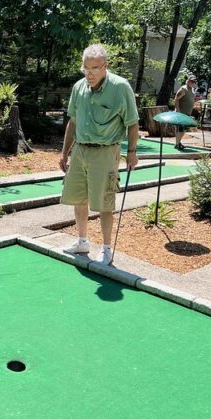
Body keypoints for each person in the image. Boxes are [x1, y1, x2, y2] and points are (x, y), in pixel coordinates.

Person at [59, 44, 139, 265]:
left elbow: (133, 123)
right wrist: (64, 153)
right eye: (86, 68)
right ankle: (82, 241)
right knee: (78, 199)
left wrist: (132, 153)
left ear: (105, 66)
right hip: (80, 150)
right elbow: (73, 122)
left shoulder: (120, 87)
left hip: (106, 151)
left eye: (95, 68)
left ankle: (106, 248)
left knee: (105, 202)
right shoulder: (79, 87)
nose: (89, 73)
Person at [173, 74, 197, 150]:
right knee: (180, 129)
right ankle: (177, 144)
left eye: (194, 81)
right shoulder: (183, 89)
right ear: (187, 81)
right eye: (191, 81)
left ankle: (178, 143)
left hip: (187, 113)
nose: (192, 83)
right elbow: (176, 99)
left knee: (184, 129)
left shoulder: (192, 90)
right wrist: (178, 110)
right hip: (181, 113)